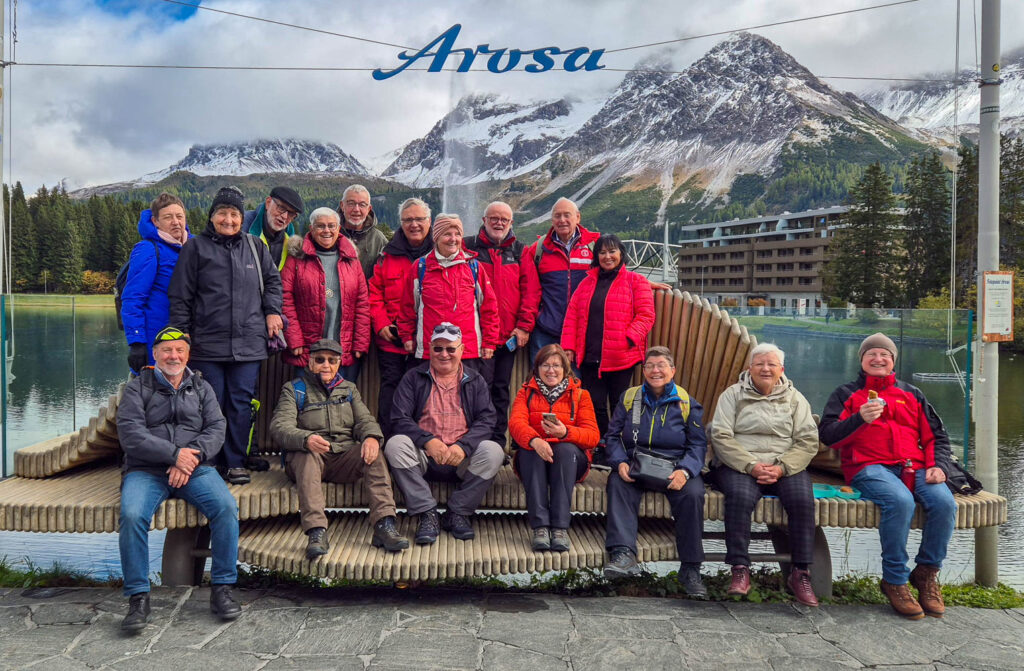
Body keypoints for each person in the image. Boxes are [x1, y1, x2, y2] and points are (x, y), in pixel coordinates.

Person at [819, 333, 956, 620]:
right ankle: (895, 580)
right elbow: (828, 436)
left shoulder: (913, 394)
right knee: (900, 502)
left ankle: (926, 574)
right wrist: (860, 419)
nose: (878, 359)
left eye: (885, 355)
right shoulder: (846, 394)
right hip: (869, 468)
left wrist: (938, 465)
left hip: (915, 466)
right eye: (872, 354)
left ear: (893, 361)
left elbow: (937, 437)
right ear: (862, 360)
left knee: (945, 503)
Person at [116, 327, 240, 632]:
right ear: (155, 354)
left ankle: (223, 588)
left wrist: (190, 458)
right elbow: (131, 435)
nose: (174, 356)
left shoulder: (200, 386)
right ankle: (138, 597)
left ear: (188, 355)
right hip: (146, 470)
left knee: (225, 509)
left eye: (180, 351)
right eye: (167, 351)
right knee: (132, 516)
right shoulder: (137, 388)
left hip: (195, 467)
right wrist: (173, 455)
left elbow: (216, 427)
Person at [168, 186, 284, 485]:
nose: (229, 220)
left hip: (248, 344)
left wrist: (272, 311)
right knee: (210, 404)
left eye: (234, 214)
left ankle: (235, 462)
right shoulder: (195, 248)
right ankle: (209, 462)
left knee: (241, 403)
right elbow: (180, 296)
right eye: (222, 213)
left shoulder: (255, 247)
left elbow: (273, 283)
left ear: (240, 216)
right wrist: (181, 337)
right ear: (212, 216)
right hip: (207, 344)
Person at [270, 339, 408, 559]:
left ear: (339, 363)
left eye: (332, 360)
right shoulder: (294, 389)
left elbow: (365, 420)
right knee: (307, 457)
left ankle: (385, 525)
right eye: (320, 360)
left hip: (343, 456)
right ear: (310, 362)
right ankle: (316, 531)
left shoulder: (348, 389)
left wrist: (372, 437)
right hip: (310, 457)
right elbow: (279, 427)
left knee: (374, 454)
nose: (326, 365)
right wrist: (306, 439)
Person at [710, 343, 820, 606]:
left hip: (785, 465)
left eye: (771, 364)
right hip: (741, 464)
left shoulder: (795, 399)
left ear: (781, 369)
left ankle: (800, 573)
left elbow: (807, 440)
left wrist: (782, 467)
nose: (765, 368)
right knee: (738, 497)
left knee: (802, 500)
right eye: (759, 363)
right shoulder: (732, 395)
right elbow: (721, 436)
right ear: (750, 368)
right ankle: (740, 569)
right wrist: (751, 465)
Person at [602, 346, 708, 598]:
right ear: (644, 370)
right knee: (617, 483)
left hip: (674, 466)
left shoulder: (686, 403)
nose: (655, 370)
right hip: (635, 463)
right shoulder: (630, 398)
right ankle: (623, 554)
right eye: (649, 365)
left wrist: (685, 470)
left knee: (693, 495)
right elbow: (612, 436)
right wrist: (619, 462)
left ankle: (691, 568)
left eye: (661, 365)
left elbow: (698, 444)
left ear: (672, 370)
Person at [384, 322, 504, 543]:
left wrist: (464, 446)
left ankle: (457, 512)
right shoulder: (413, 377)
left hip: (462, 459)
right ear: (429, 349)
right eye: (438, 348)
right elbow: (399, 418)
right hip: (424, 457)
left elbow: (487, 420)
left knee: (494, 451)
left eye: (450, 348)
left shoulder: (475, 379)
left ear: (462, 349)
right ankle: (427, 513)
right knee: (395, 444)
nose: (444, 354)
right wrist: (427, 441)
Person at [561, 234, 656, 437]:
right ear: (596, 257)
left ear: (621, 253)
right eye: (602, 252)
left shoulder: (636, 281)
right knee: (594, 404)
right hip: (589, 356)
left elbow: (646, 315)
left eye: (612, 251)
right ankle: (601, 442)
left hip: (621, 357)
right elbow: (572, 317)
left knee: (620, 403)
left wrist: (628, 339)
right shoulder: (586, 284)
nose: (607, 256)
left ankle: (618, 444)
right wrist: (568, 347)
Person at [508, 344, 599, 552]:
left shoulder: (580, 395)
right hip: (535, 460)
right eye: (545, 365)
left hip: (569, 462)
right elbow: (516, 424)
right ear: (537, 368)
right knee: (529, 450)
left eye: (556, 365)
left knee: (565, 450)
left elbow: (593, 436)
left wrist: (565, 433)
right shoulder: (526, 392)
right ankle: (540, 528)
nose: (551, 370)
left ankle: (559, 528)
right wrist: (534, 440)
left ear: (565, 369)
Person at [463, 201, 541, 444]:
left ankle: (496, 442)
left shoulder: (520, 251)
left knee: (500, 390)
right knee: (471, 389)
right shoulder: (467, 247)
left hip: (507, 336)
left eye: (504, 219)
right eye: (493, 218)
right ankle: (470, 439)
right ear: (484, 221)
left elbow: (531, 292)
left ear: (511, 223)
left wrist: (525, 326)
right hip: (473, 336)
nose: (498, 223)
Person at [396, 213, 500, 370]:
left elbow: (489, 308)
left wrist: (489, 342)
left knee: (467, 394)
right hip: (431, 351)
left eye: (457, 234)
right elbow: (407, 308)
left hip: (467, 351)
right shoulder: (420, 267)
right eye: (447, 234)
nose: (453, 239)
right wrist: (406, 337)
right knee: (430, 394)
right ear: (436, 237)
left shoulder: (474, 267)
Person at [368, 198, 433, 437]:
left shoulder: (440, 253)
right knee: (390, 391)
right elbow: (374, 292)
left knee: (423, 394)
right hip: (392, 340)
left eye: (419, 219)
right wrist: (381, 323)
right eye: (408, 220)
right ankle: (386, 441)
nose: (413, 224)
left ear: (429, 221)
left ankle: (418, 444)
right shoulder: (388, 255)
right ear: (401, 223)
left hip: (426, 342)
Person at [281, 207, 370, 382]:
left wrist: (360, 343)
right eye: (320, 226)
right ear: (311, 229)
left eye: (331, 226)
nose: (327, 230)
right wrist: (294, 339)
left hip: (343, 349)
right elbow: (285, 299)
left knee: (341, 404)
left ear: (338, 228)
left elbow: (362, 303)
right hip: (308, 349)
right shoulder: (297, 258)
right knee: (307, 403)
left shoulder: (351, 259)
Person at [122, 193, 192, 373]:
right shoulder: (148, 249)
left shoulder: (193, 247)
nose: (175, 222)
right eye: (168, 217)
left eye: (179, 216)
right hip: (157, 340)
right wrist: (137, 342)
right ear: (155, 221)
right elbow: (133, 298)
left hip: (184, 340)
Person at [525, 197, 600, 362]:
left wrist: (644, 282)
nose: (562, 220)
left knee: (576, 384)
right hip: (545, 330)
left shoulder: (594, 246)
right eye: (557, 216)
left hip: (580, 332)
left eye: (567, 215)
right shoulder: (538, 249)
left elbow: (615, 274)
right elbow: (526, 285)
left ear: (578, 217)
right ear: (552, 220)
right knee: (540, 381)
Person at [243, 186, 304, 269]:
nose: (284, 216)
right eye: (281, 208)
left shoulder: (290, 239)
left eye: (291, 214)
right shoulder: (242, 225)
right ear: (268, 203)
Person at [338, 184, 388, 280]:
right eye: (351, 203)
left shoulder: (379, 240)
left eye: (362, 205)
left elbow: (384, 278)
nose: (356, 209)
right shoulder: (329, 235)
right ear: (342, 206)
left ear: (369, 209)